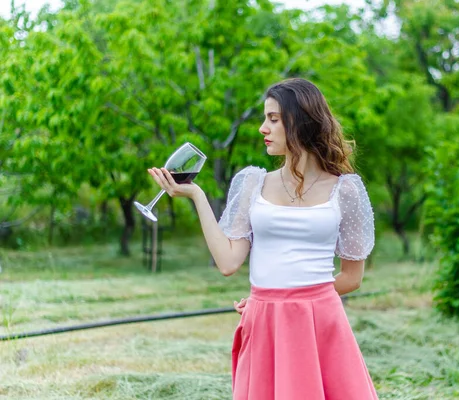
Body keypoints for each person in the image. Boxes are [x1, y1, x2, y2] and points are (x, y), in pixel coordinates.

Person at [148, 78, 378, 400]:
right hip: (266, 326)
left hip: (320, 327)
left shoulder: (347, 189)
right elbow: (228, 263)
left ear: (301, 121)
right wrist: (197, 196)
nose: (262, 128)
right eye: (264, 119)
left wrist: (295, 301)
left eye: (273, 119)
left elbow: (352, 277)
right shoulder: (252, 183)